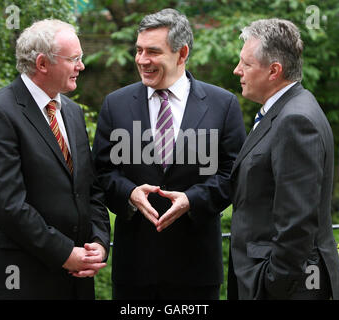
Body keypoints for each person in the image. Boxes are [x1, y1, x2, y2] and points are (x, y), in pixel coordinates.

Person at [92, 8, 246, 300]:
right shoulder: (116, 104)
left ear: (182, 52)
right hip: (134, 271)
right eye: (138, 51)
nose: (141, 60)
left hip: (197, 271)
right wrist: (129, 193)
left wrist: (192, 200)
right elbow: (101, 172)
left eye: (152, 51)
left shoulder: (222, 104)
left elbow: (234, 174)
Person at [0, 19, 110, 299]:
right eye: (74, 59)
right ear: (43, 64)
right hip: (23, 281)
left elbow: (88, 188)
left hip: (77, 282)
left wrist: (99, 240)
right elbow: (7, 205)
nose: (81, 66)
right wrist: (63, 253)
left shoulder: (72, 112)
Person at [228, 18, 339, 300]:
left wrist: (273, 283)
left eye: (246, 63)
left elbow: (297, 222)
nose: (237, 70)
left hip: (289, 289)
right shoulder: (287, 109)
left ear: (274, 71)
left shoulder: (295, 119)